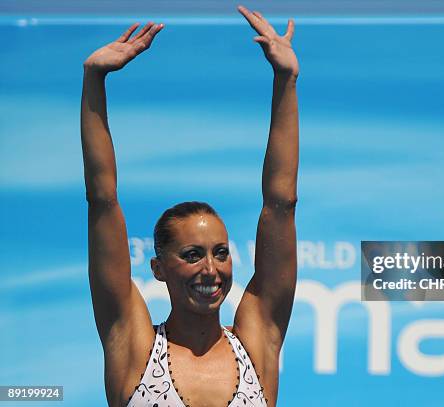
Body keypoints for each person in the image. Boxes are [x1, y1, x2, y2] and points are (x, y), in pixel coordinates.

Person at [80, 5, 299, 406]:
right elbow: (102, 201)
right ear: (159, 268)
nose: (210, 269)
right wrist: (94, 79)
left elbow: (281, 204)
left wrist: (286, 80)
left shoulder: (256, 341)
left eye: (220, 253)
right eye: (192, 255)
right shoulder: (133, 345)